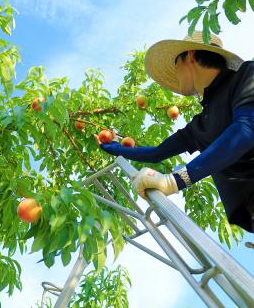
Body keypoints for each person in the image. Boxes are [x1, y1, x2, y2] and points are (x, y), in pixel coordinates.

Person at [96, 31, 254, 234]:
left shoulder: (246, 75)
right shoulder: (201, 124)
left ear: (189, 56)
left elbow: (246, 129)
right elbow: (156, 154)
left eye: (175, 63)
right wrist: (114, 147)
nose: (175, 72)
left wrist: (175, 180)